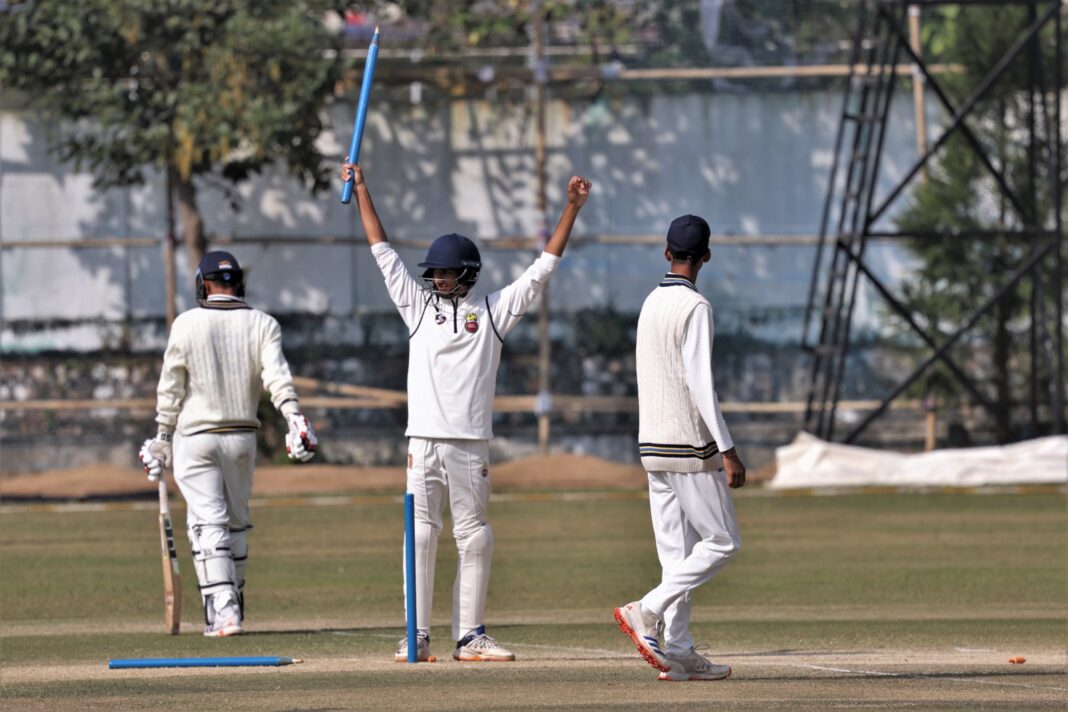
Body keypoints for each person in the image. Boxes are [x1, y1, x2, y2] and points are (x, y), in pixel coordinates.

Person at [341, 159, 591, 663]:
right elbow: (381, 250)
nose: (436, 278)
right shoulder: (416, 307)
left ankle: (470, 636)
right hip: (422, 441)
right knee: (421, 535)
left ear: (468, 273)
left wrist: (571, 209)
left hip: (469, 441)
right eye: (432, 272)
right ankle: (417, 635)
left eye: (446, 272)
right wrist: (364, 187)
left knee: (474, 537)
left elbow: (542, 270)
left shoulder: (493, 311)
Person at [138, 250, 318, 637]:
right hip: (241, 438)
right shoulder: (263, 324)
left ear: (203, 285)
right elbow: (277, 377)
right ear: (239, 283)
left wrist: (162, 438)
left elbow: (170, 388)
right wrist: (294, 419)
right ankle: (232, 600)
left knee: (208, 525)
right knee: (235, 525)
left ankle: (224, 611)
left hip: (197, 438)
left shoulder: (185, 324)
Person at [613, 214, 746, 681]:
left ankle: (681, 649)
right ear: (706, 256)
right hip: (690, 447)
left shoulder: (650, 303)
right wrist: (727, 449)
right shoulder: (696, 307)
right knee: (723, 542)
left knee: (679, 557)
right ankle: (645, 610)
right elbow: (701, 385)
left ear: (666, 253)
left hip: (652, 446)